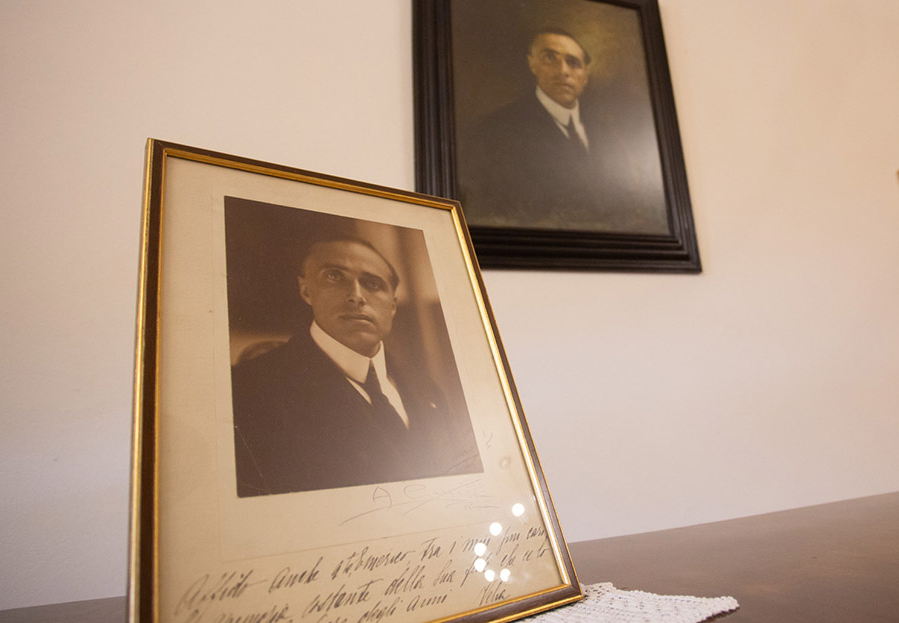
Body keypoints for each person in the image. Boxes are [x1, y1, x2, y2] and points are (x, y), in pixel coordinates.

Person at [231, 237, 483, 497]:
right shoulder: (247, 390)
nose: (356, 296)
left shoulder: (425, 388)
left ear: (393, 305)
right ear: (306, 290)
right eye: (334, 277)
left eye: (372, 284)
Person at [460, 28, 654, 232]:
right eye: (550, 58)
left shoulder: (609, 133)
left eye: (573, 62)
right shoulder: (496, 130)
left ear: (585, 76)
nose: (563, 71)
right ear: (532, 64)